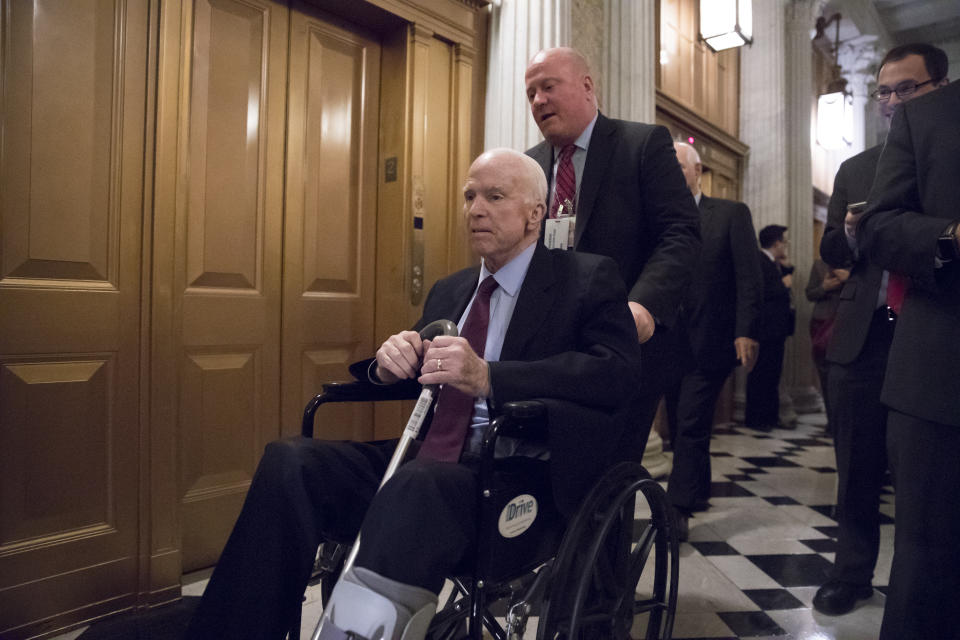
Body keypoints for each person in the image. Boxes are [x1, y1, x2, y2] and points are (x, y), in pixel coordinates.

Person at [184, 148, 643, 640]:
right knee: (289, 462)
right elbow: (420, 367)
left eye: (494, 196)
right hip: (427, 465)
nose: (475, 209)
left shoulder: (585, 278)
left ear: (535, 213)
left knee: (419, 482)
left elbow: (613, 373)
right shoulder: (451, 290)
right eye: (469, 197)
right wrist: (388, 363)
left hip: (515, 474)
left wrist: (491, 378)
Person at [813, 43, 949, 617]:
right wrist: (849, 233)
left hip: (931, 335)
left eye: (906, 89)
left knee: (927, 478)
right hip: (865, 336)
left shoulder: (948, 154)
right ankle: (851, 573)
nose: (892, 102)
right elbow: (829, 251)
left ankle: (920, 585)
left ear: (939, 89)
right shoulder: (856, 168)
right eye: (884, 91)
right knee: (857, 465)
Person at [523, 47, 701, 454]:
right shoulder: (529, 166)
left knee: (608, 476)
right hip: (548, 351)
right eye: (531, 93)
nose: (538, 101)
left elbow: (680, 232)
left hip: (622, 345)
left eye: (548, 87)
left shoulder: (640, 145)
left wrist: (643, 306)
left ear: (587, 86)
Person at [857, 78, 960, 640]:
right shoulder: (930, 116)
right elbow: (878, 228)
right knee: (929, 566)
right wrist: (950, 235)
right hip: (943, 373)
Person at [664, 142, 762, 540]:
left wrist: (746, 329)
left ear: (697, 170)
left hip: (712, 338)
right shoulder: (660, 217)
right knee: (682, 421)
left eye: (677, 166)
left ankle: (680, 507)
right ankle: (698, 490)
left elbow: (748, 277)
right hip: (667, 341)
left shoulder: (730, 214)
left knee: (689, 420)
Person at [745, 225, 793, 432]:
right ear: (776, 243)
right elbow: (760, 292)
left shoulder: (773, 262)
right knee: (761, 374)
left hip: (776, 330)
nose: (785, 246)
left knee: (773, 373)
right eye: (784, 242)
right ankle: (757, 418)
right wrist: (784, 285)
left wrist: (786, 269)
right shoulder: (759, 260)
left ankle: (770, 417)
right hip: (765, 329)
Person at [804, 257, 849, 431]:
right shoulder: (819, 264)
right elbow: (810, 293)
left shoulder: (858, 260)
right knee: (825, 374)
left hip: (846, 322)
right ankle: (832, 421)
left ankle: (843, 421)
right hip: (822, 323)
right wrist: (824, 287)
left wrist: (849, 279)